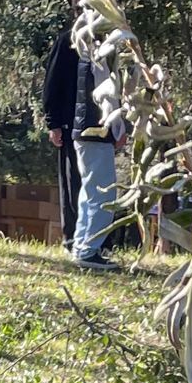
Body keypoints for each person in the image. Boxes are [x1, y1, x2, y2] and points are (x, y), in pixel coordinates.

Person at [41, 0, 104, 250]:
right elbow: (52, 83)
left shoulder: (108, 43)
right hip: (70, 123)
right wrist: (53, 122)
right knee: (73, 184)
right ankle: (72, 239)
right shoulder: (66, 41)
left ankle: (98, 240)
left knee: (99, 186)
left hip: (102, 125)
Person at [69, 16, 126, 271]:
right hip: (96, 131)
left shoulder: (85, 53)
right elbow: (109, 99)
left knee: (89, 193)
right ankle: (89, 250)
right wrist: (118, 128)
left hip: (83, 131)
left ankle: (82, 245)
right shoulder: (100, 58)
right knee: (104, 194)